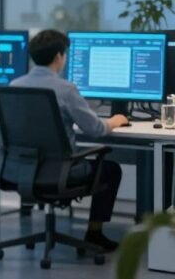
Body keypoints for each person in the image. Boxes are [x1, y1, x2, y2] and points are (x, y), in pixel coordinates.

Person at [10, 28, 127, 251]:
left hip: (23, 169)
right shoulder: (65, 89)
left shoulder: (15, 86)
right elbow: (95, 128)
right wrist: (116, 120)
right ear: (59, 57)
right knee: (111, 169)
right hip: (61, 172)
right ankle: (94, 234)